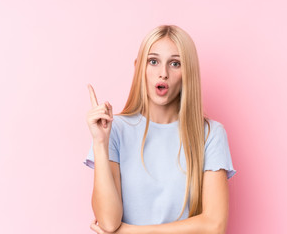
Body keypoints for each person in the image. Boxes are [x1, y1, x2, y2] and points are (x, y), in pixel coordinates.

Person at [83, 25, 236, 234]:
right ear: (139, 67)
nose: (162, 73)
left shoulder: (210, 134)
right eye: (153, 61)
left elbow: (214, 226)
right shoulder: (114, 130)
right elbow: (109, 222)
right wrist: (100, 143)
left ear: (187, 72)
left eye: (175, 64)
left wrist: (129, 232)